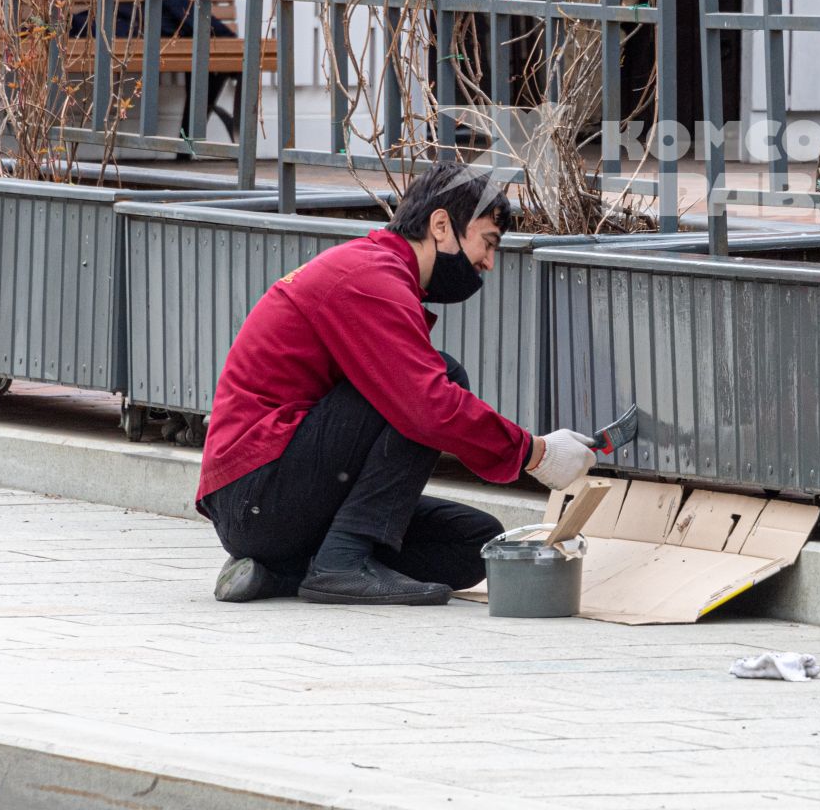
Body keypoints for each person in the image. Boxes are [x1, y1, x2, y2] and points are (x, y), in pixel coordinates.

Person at [194, 163, 598, 606]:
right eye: (488, 242)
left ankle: (281, 571)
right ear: (441, 226)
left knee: (475, 544)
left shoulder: (380, 272)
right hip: (256, 498)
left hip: (274, 501)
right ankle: (340, 566)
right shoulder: (368, 278)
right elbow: (428, 407)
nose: (489, 263)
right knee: (435, 382)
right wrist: (535, 454)